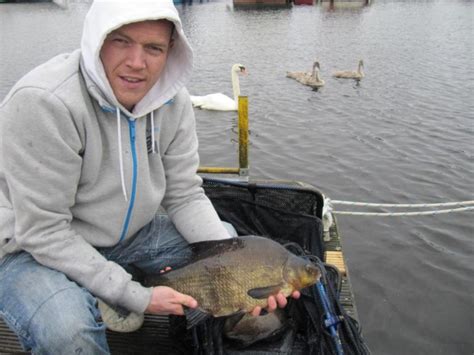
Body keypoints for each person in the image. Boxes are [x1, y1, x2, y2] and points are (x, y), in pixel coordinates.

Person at [0, 0, 298, 353]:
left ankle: (105, 290)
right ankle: (101, 294)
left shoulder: (174, 103)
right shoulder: (45, 103)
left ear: (170, 51)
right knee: (70, 332)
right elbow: (44, 231)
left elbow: (184, 195)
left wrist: (240, 267)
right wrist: (137, 296)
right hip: (26, 248)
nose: (137, 63)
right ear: (96, 39)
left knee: (228, 244)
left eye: (153, 48)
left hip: (129, 235)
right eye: (121, 41)